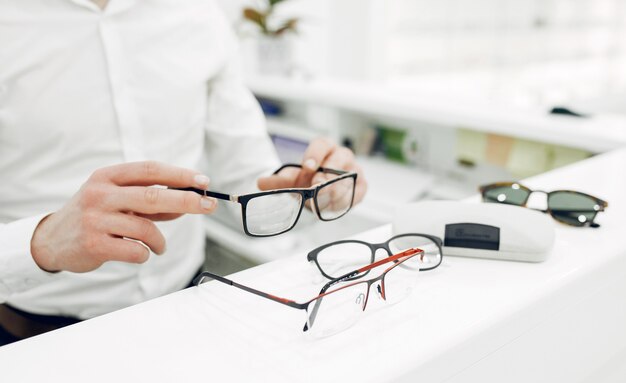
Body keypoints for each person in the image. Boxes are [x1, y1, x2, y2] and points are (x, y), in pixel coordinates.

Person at [0, 0, 367, 346]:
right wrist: (40, 243)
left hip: (188, 315)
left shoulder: (200, 14)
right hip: (34, 339)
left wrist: (306, 196)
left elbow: (249, 187)